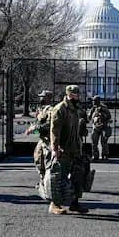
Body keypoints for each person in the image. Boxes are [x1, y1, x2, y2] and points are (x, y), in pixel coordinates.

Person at [48, 85, 88, 215]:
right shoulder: (60, 109)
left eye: (77, 94)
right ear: (68, 94)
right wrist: (55, 149)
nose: (76, 96)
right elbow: (55, 131)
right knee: (60, 177)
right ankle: (55, 204)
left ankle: (74, 203)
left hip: (75, 149)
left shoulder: (76, 109)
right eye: (74, 94)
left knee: (78, 176)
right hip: (63, 149)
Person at [25, 90, 54, 183]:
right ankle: (43, 179)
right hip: (42, 139)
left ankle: (48, 181)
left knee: (47, 161)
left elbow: (49, 124)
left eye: (42, 96)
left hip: (48, 140)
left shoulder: (50, 110)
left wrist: (35, 128)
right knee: (38, 158)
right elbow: (37, 123)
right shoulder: (41, 109)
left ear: (48, 98)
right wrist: (32, 128)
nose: (40, 98)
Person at [89, 95, 112, 161]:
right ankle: (95, 155)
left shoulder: (104, 107)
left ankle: (105, 155)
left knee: (104, 142)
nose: (94, 102)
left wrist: (102, 113)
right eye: (93, 101)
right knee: (94, 142)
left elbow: (109, 116)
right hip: (95, 127)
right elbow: (89, 117)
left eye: (95, 101)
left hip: (103, 127)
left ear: (98, 101)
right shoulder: (93, 108)